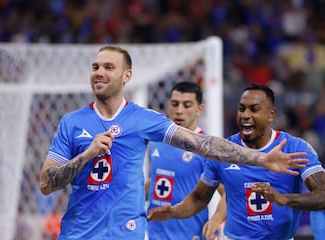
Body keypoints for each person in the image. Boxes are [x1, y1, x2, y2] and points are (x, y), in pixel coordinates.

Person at [39, 47, 307, 239]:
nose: (99, 72)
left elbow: (202, 144)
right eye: (96, 67)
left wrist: (260, 158)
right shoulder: (72, 122)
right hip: (78, 232)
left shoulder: (144, 119)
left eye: (109, 67)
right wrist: (87, 154)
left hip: (127, 233)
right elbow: (46, 184)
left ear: (126, 76)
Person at [147, 84, 324, 239]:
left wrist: (285, 199)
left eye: (253, 109)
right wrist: (174, 211)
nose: (245, 115)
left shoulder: (295, 148)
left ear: (271, 114)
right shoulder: (223, 151)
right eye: (241, 109)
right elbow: (199, 198)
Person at [145, 81, 225, 240]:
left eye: (187, 105)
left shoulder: (207, 147)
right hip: (154, 234)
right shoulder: (156, 142)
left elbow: (229, 193)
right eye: (175, 104)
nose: (179, 110)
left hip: (190, 235)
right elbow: (158, 181)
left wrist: (216, 220)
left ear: (199, 109)